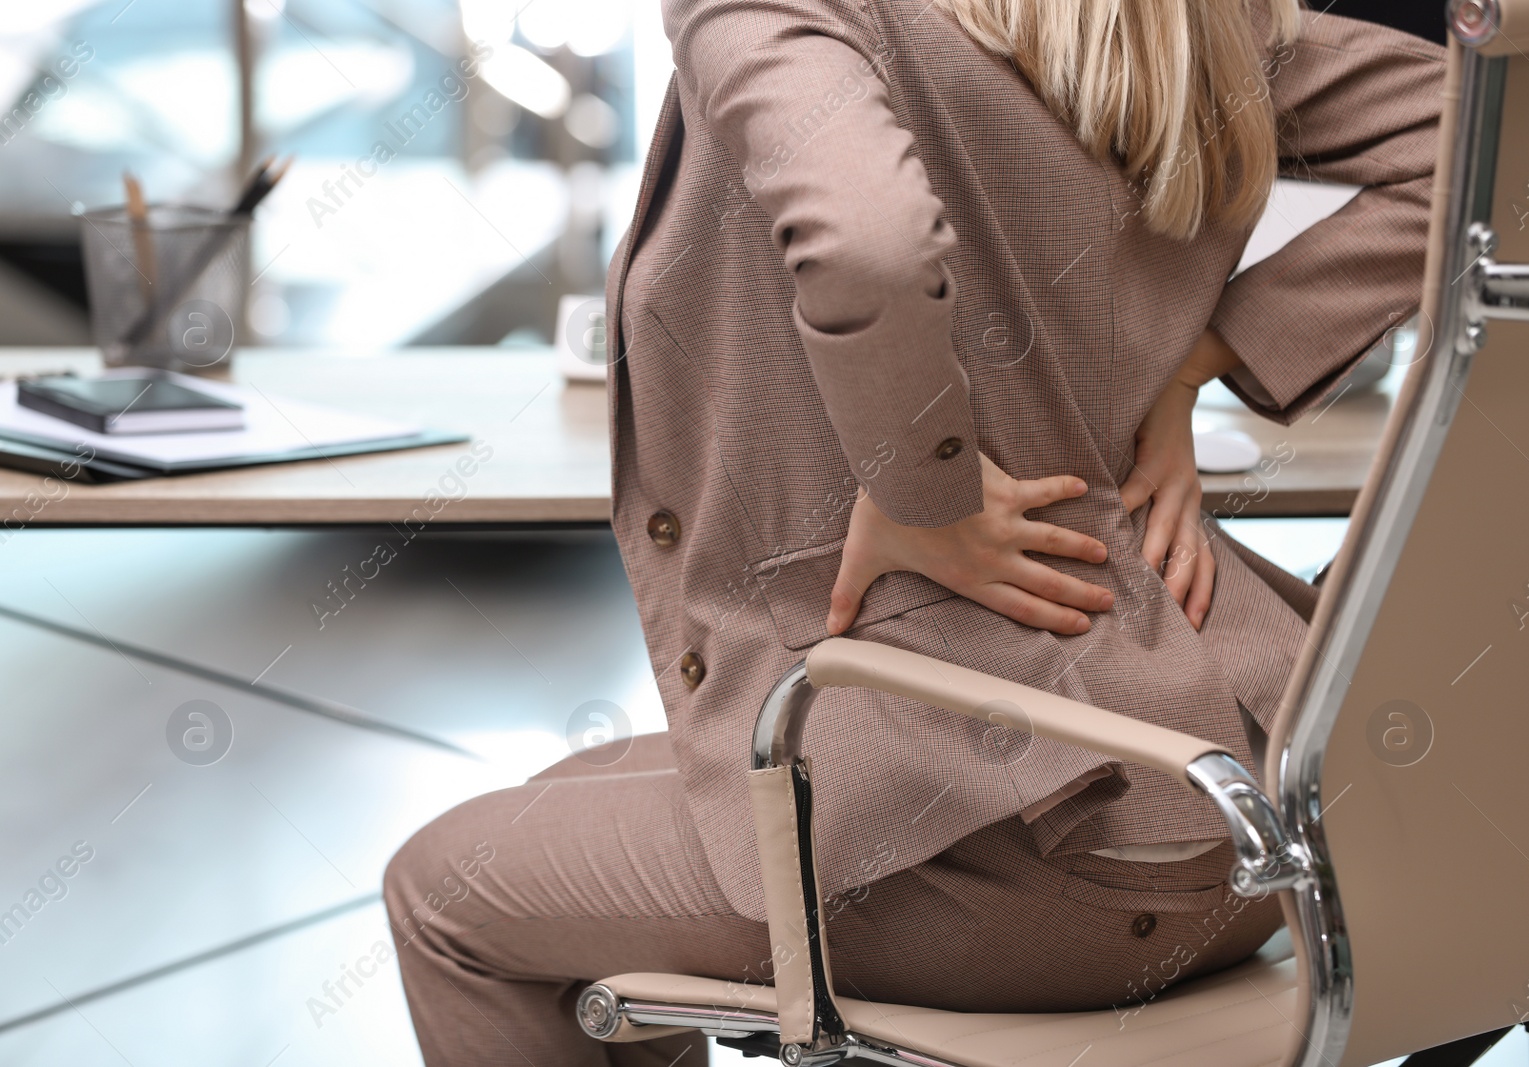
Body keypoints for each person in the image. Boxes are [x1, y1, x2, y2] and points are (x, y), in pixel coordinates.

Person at [384, 0, 1445, 1060]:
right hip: (1243, 825)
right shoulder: (1179, 18)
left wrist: (919, 489)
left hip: (1016, 859)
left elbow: (870, 242)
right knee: (550, 815)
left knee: (444, 897)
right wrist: (1204, 354)